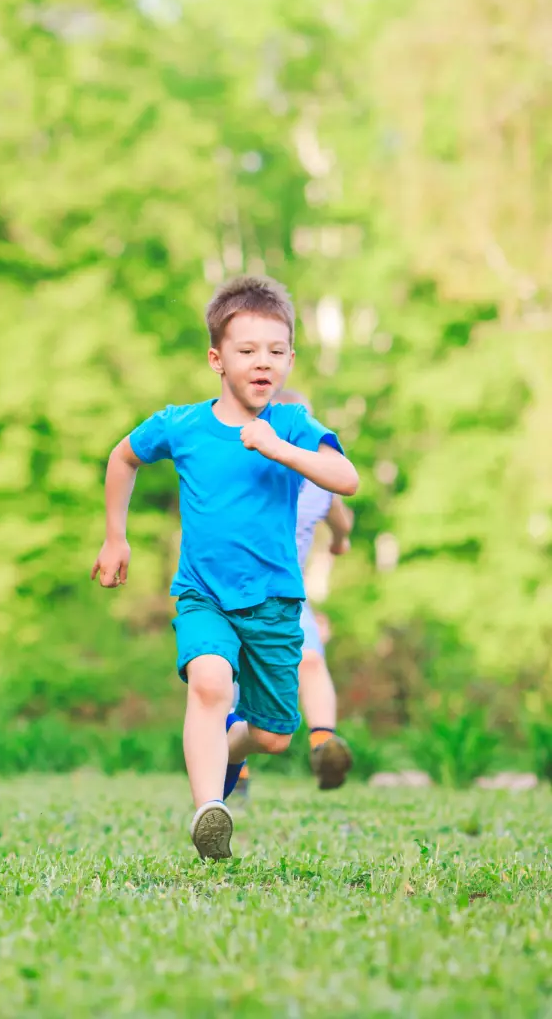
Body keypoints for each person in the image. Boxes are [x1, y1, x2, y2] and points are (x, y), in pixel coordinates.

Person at [91, 274, 359, 860]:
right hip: (203, 594)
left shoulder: (292, 424)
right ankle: (209, 809)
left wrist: (277, 448)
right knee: (210, 683)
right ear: (216, 358)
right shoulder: (182, 425)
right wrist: (117, 537)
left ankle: (231, 755)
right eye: (247, 350)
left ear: (290, 357)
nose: (263, 362)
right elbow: (123, 456)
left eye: (277, 351)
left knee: (272, 735)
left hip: (274, 603)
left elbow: (347, 479)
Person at [233, 388, 356, 796]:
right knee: (296, 666)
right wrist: (339, 540)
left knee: (293, 665)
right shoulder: (305, 481)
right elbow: (341, 518)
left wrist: (339, 540)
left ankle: (314, 749)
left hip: (272, 592)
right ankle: (312, 742)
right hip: (258, 592)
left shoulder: (307, 480)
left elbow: (338, 515)